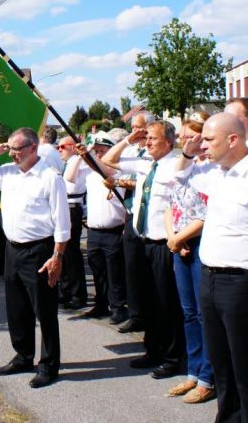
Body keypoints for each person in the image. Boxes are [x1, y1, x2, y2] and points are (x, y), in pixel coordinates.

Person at [178, 113, 248, 423]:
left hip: (243, 284)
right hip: (210, 279)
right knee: (222, 366)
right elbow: (181, 176)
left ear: (233, 139)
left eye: (208, 139)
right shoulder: (219, 174)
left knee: (247, 368)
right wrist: (188, 151)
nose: (203, 145)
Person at [0, 127, 70, 389]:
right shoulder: (8, 172)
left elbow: (63, 223)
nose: (12, 154)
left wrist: (57, 256)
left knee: (44, 311)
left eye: (16, 149)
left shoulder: (50, 177)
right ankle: (23, 356)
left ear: (33, 148)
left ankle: (49, 365)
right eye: (10, 149)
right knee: (17, 308)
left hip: (39, 251)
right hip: (13, 249)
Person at [102, 120, 185, 380]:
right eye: (146, 138)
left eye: (152, 138)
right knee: (146, 300)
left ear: (168, 142)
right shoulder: (144, 163)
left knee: (166, 302)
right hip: (141, 240)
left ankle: (172, 357)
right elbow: (108, 159)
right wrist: (129, 139)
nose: (147, 142)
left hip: (163, 243)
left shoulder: (177, 165)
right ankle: (152, 350)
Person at [163, 114, 215, 404]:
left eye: (191, 136)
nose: (186, 141)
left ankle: (208, 377)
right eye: (183, 137)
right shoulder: (183, 165)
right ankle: (193, 371)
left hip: (199, 243)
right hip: (179, 243)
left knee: (205, 315)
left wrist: (181, 237)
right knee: (189, 313)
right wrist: (173, 236)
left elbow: (207, 214)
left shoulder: (213, 169)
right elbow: (169, 205)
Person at [77, 133, 128, 324]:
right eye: (96, 151)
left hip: (112, 230)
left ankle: (118, 308)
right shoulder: (91, 174)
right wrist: (83, 155)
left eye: (102, 151)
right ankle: (101, 304)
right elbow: (70, 178)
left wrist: (87, 155)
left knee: (114, 273)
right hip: (94, 230)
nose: (98, 154)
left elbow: (103, 169)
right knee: (97, 270)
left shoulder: (117, 171)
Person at [116, 111, 154, 334]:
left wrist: (130, 183)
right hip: (131, 212)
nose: (135, 132)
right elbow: (110, 161)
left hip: (149, 216)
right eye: (132, 128)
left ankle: (150, 315)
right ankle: (136, 314)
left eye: (138, 128)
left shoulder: (152, 151)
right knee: (131, 268)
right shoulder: (131, 150)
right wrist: (127, 141)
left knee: (148, 269)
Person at [57, 134, 88, 310]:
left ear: (73, 147)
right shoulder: (68, 162)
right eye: (58, 147)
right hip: (65, 206)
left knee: (71, 253)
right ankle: (66, 290)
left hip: (72, 207)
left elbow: (69, 178)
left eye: (63, 146)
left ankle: (78, 294)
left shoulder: (78, 160)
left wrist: (79, 154)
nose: (59, 150)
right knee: (64, 252)